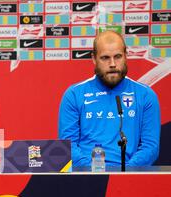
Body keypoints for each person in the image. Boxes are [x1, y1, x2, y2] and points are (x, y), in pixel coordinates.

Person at [58, 31, 160, 168]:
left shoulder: (146, 95)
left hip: (130, 178)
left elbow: (150, 148)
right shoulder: (74, 95)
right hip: (85, 178)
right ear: (94, 59)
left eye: (117, 57)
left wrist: (124, 174)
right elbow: (69, 146)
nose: (112, 64)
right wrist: (92, 173)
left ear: (125, 56)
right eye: (105, 58)